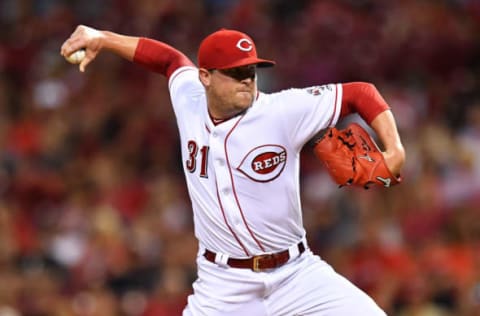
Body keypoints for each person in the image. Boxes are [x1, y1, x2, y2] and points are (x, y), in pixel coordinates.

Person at [61, 25, 405, 316]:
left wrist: (394, 149)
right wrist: (103, 38)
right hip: (223, 287)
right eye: (236, 73)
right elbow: (168, 60)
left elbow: (361, 93)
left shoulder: (283, 111)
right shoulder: (189, 98)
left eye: (251, 71)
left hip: (296, 275)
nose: (247, 80)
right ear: (206, 77)